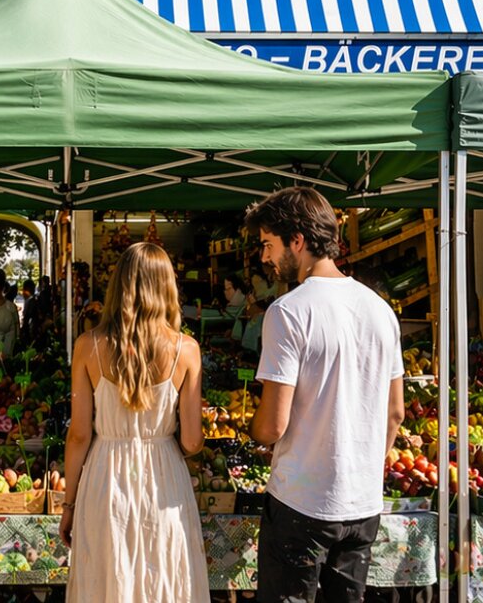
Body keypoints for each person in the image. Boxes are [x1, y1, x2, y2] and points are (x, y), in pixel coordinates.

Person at [246, 188, 404, 603]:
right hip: (362, 503)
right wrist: (362, 468)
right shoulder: (381, 310)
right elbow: (396, 414)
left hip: (302, 501)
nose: (265, 257)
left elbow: (271, 426)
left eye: (268, 244)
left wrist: (254, 429)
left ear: (297, 240)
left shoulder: (288, 311)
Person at [60, 241, 208, 603]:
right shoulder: (186, 350)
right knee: (165, 578)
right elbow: (191, 441)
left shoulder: (87, 345)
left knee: (107, 579)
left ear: (119, 286)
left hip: (104, 478)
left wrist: (68, 506)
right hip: (164, 480)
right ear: (167, 286)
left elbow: (79, 435)